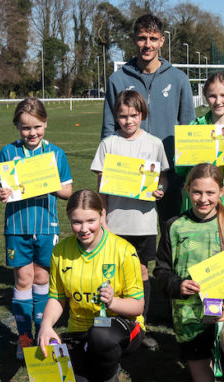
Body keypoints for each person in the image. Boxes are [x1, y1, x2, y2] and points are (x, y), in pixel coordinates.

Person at [154, 164, 224, 382]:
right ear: (187, 190)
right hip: (189, 316)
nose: (203, 199)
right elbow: (161, 271)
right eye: (197, 192)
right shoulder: (174, 226)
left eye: (210, 193)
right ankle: (205, 354)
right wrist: (177, 285)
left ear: (222, 191)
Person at [38, 190, 146, 382]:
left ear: (102, 215)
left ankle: (108, 376)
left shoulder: (124, 250)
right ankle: (95, 371)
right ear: (69, 219)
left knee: (101, 335)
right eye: (77, 222)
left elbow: (138, 306)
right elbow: (57, 297)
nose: (84, 228)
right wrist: (46, 325)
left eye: (91, 221)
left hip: (121, 326)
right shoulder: (60, 251)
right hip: (79, 331)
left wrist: (113, 302)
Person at [0, 97, 73, 360]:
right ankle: (24, 335)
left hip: (46, 226)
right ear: (17, 127)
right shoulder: (8, 152)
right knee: (23, 279)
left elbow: (67, 191)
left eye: (37, 127)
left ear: (45, 124)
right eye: (26, 128)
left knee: (42, 280)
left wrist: (48, 183)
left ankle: (42, 333)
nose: (32, 133)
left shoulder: (55, 154)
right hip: (17, 226)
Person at [100, 13, 195, 230]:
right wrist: (111, 169)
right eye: (142, 38)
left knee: (172, 231)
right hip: (130, 171)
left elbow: (189, 125)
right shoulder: (118, 79)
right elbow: (108, 126)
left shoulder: (178, 79)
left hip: (170, 171)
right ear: (134, 39)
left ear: (162, 40)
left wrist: (188, 168)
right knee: (132, 235)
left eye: (153, 39)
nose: (147, 44)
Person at [91, 89, 169, 351]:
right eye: (123, 116)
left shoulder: (154, 144)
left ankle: (140, 324)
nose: (128, 121)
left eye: (133, 115)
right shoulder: (108, 144)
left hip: (143, 222)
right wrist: (102, 215)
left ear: (142, 115)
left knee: (142, 271)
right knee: (112, 273)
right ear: (116, 116)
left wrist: (161, 189)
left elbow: (163, 178)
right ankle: (112, 322)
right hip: (115, 222)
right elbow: (101, 184)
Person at [176, 72, 224, 225]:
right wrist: (185, 156)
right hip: (197, 204)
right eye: (212, 96)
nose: (218, 101)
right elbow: (179, 171)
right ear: (205, 97)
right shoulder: (194, 127)